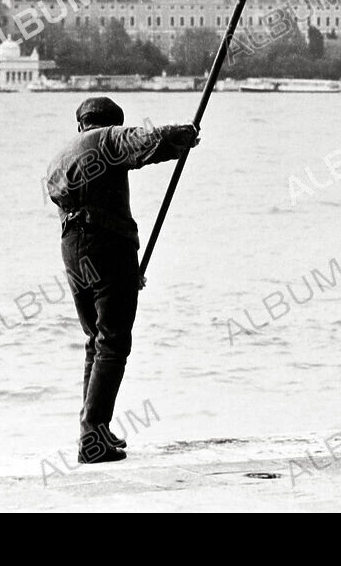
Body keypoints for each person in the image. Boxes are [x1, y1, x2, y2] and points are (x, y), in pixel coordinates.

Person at [46, 97, 199, 464]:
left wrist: (125, 270)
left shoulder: (60, 156)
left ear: (80, 122)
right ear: (106, 123)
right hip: (106, 242)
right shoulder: (105, 139)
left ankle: (93, 429)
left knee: (95, 339)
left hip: (73, 246)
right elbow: (145, 141)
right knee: (113, 341)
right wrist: (184, 135)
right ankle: (92, 436)